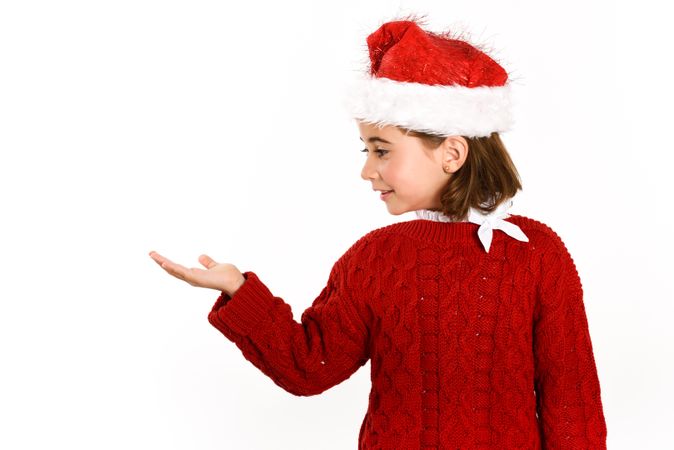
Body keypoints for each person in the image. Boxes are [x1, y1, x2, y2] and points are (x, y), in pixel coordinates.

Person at [149, 16, 607, 449]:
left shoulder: (536, 253)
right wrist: (237, 289)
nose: (368, 170)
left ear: (452, 152)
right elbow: (310, 365)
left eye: (382, 151)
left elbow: (571, 400)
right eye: (366, 150)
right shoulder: (376, 258)